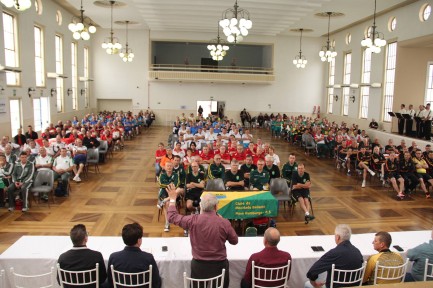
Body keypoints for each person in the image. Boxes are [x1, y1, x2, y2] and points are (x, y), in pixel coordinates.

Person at [167, 184, 238, 288]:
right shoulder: (224, 223)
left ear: (201, 206)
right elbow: (234, 241)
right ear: (216, 207)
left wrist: (173, 199)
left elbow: (172, 217)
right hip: (220, 266)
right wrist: (224, 222)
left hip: (199, 266)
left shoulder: (192, 220)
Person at [105, 223, 161, 288]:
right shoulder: (148, 258)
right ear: (139, 240)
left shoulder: (113, 257)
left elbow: (110, 280)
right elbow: (156, 282)